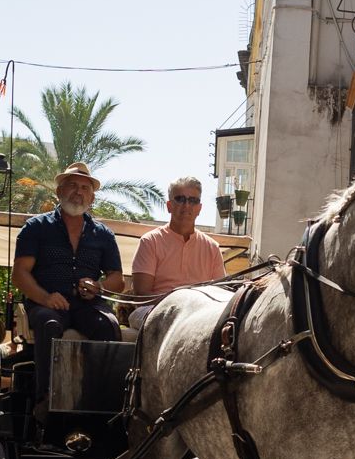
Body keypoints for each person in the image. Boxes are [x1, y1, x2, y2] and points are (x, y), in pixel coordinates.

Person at [12, 162, 126, 416]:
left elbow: (117, 280)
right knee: (49, 324)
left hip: (88, 305)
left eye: (85, 187)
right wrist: (45, 297)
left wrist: (98, 286)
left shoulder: (103, 234)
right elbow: (20, 274)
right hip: (46, 303)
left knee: (109, 325)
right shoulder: (37, 227)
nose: (79, 192)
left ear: (92, 196)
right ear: (59, 191)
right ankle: (46, 400)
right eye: (73, 185)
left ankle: (103, 400)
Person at [128, 176, 226, 329]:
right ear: (169, 206)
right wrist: (179, 305)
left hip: (199, 315)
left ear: (199, 208)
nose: (186, 205)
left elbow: (221, 294)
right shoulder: (150, 241)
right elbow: (141, 295)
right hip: (156, 311)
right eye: (180, 199)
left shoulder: (212, 248)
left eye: (193, 200)